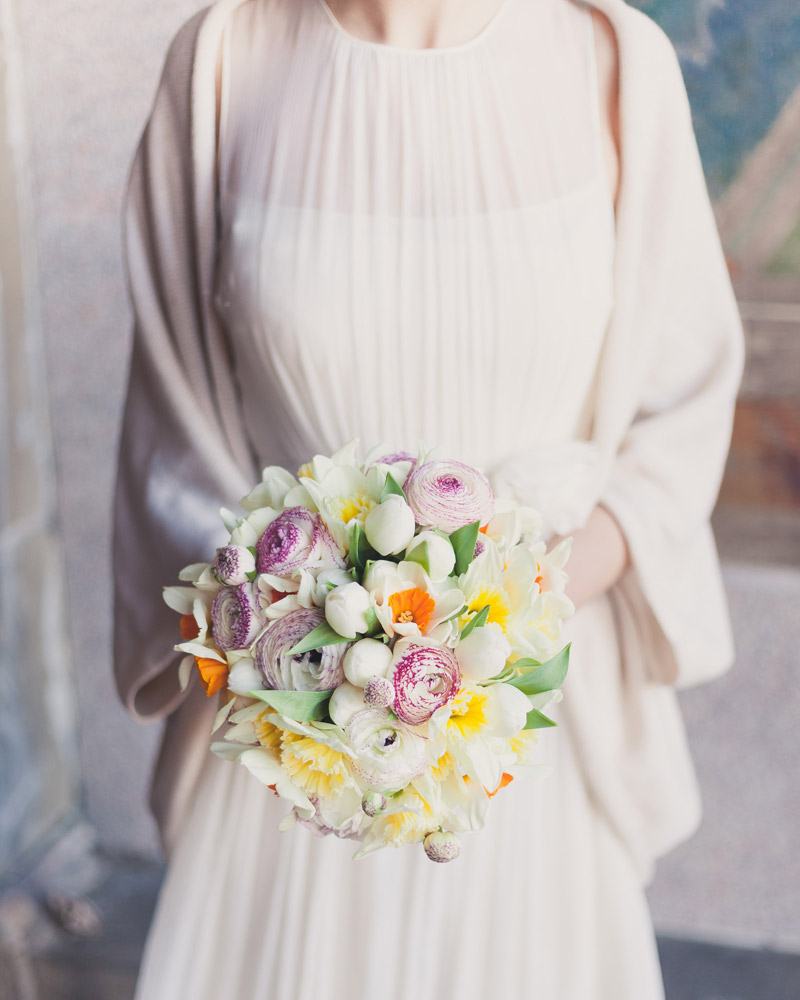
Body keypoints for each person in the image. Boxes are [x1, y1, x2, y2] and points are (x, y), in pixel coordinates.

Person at [113, 0, 744, 996]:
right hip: (299, 720)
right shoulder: (222, 61)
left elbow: (683, 403)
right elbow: (170, 428)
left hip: (530, 722)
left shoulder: (615, 59)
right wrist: (307, 625)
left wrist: (511, 612)